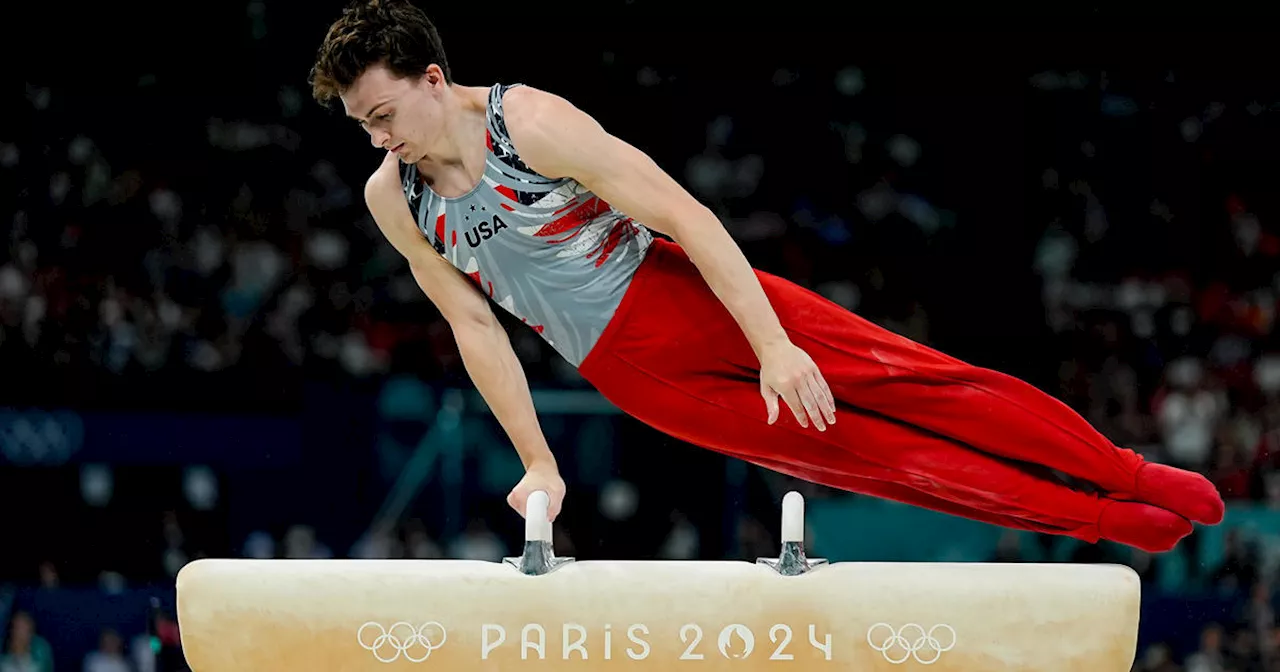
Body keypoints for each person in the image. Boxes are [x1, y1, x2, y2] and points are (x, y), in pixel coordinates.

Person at [308, 0, 1224, 553]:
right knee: (881, 462)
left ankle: (1126, 473)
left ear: (433, 78)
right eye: (362, 125)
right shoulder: (396, 200)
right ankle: (1098, 520)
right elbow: (477, 329)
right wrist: (538, 460)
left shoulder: (530, 123)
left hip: (689, 294)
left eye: (385, 112)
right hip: (630, 373)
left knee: (920, 385)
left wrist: (774, 345)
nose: (380, 137)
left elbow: (687, 215)